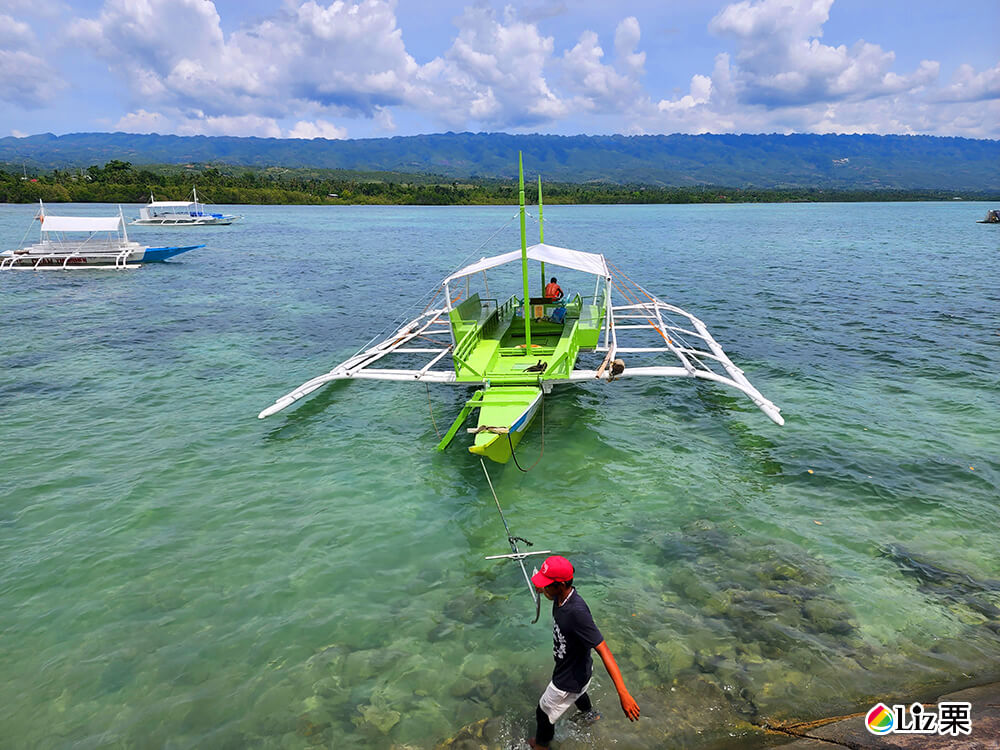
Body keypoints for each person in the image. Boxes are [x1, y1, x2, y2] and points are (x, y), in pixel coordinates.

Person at [528, 555, 640, 749]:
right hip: (581, 669)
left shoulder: (577, 612)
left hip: (567, 678)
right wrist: (542, 587)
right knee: (579, 693)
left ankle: (541, 746)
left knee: (543, 713)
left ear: (560, 585)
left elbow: (604, 650)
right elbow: (550, 592)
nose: (543, 588)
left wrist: (623, 693)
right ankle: (590, 715)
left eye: (547, 585)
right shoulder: (562, 596)